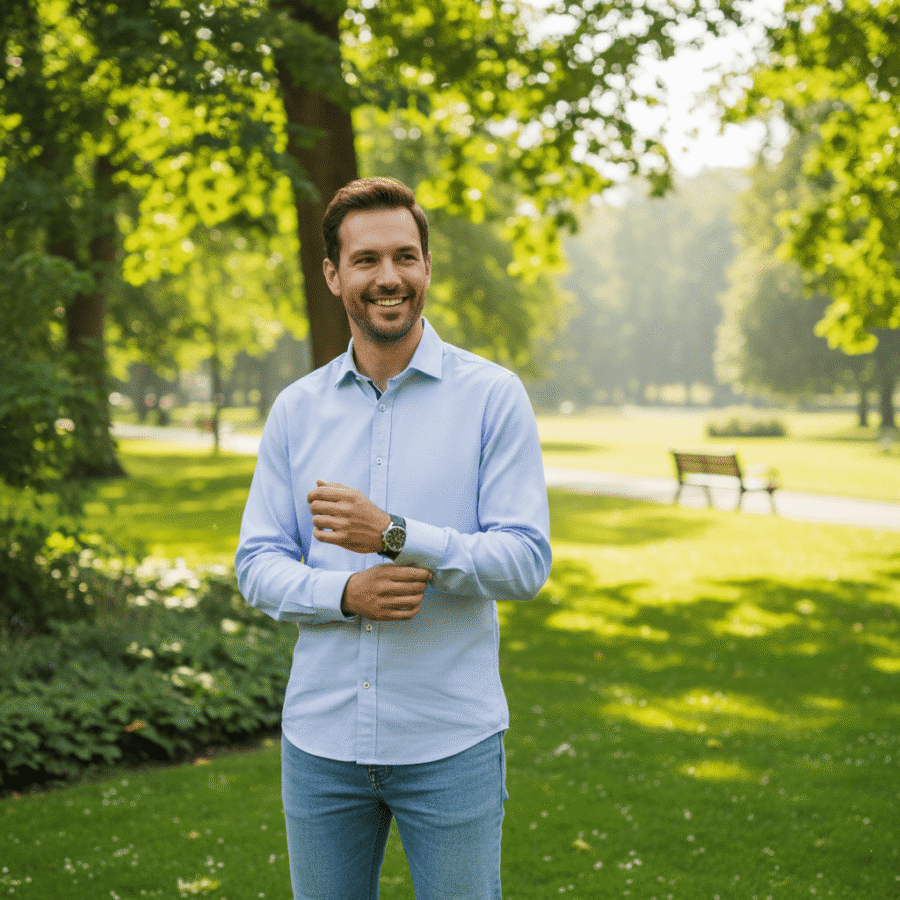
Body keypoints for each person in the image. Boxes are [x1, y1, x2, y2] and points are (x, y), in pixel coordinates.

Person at [235, 176, 552, 900]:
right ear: (333, 274)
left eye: (405, 257)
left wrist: (398, 536)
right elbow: (257, 563)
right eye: (367, 259)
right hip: (320, 745)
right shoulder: (296, 410)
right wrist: (344, 592)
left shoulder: (491, 397)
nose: (389, 278)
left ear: (427, 267)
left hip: (450, 743)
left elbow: (526, 560)